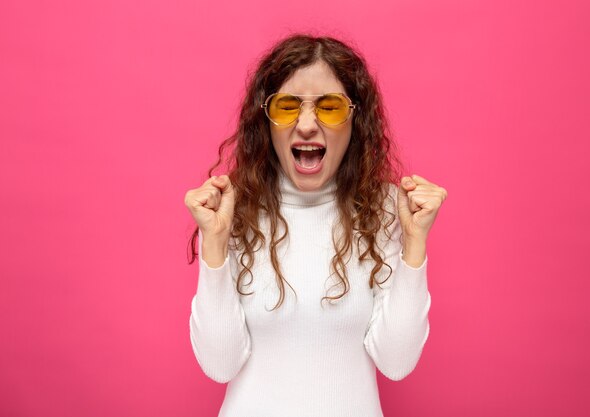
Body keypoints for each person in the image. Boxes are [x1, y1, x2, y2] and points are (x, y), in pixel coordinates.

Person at [184, 33, 448, 417]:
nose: (307, 125)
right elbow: (218, 363)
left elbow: (397, 361)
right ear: (266, 118)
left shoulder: (388, 209)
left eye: (329, 107)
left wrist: (414, 242)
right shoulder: (232, 210)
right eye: (289, 106)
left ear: (355, 119)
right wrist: (215, 243)